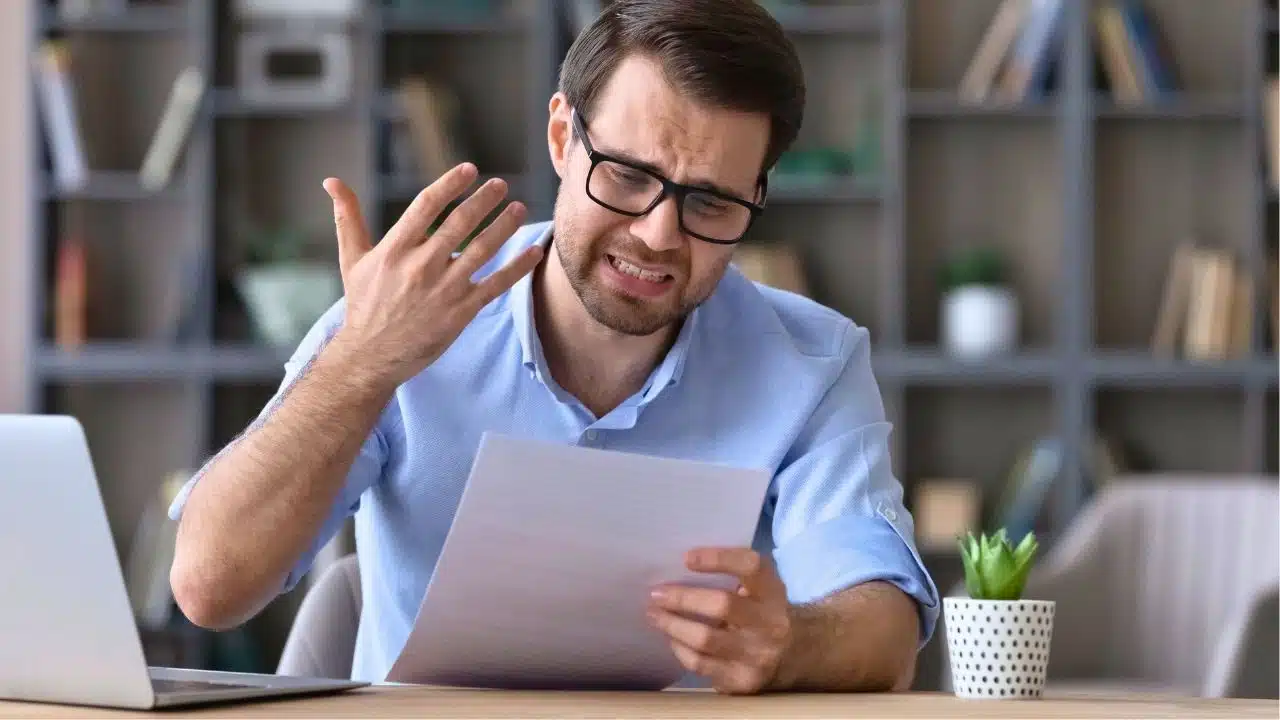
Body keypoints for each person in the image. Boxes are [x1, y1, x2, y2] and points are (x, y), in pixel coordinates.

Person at [168, 0, 939, 695]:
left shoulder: (812, 362)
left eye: (710, 201)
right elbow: (209, 587)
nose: (658, 235)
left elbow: (886, 629)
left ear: (757, 199)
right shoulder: (394, 318)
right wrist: (360, 362)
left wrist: (794, 644)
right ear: (564, 138)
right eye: (630, 177)